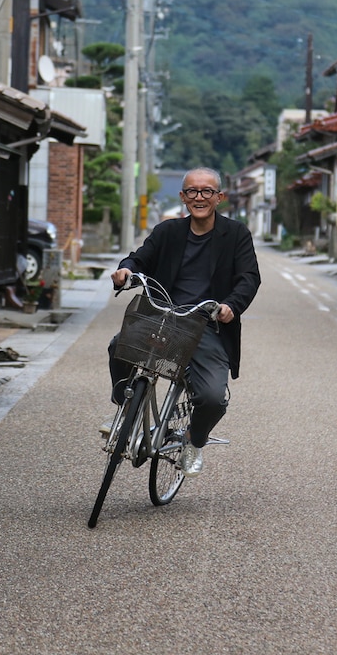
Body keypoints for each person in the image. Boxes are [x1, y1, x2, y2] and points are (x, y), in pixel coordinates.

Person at [109, 167, 261, 477]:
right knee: (118, 347)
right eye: (192, 191)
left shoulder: (236, 234)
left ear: (219, 197)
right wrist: (125, 271)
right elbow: (139, 258)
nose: (199, 197)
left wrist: (231, 305)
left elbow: (249, 278)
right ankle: (125, 406)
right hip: (162, 316)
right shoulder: (168, 231)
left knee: (212, 398)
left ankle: (194, 440)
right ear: (182, 197)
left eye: (207, 191)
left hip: (206, 324)